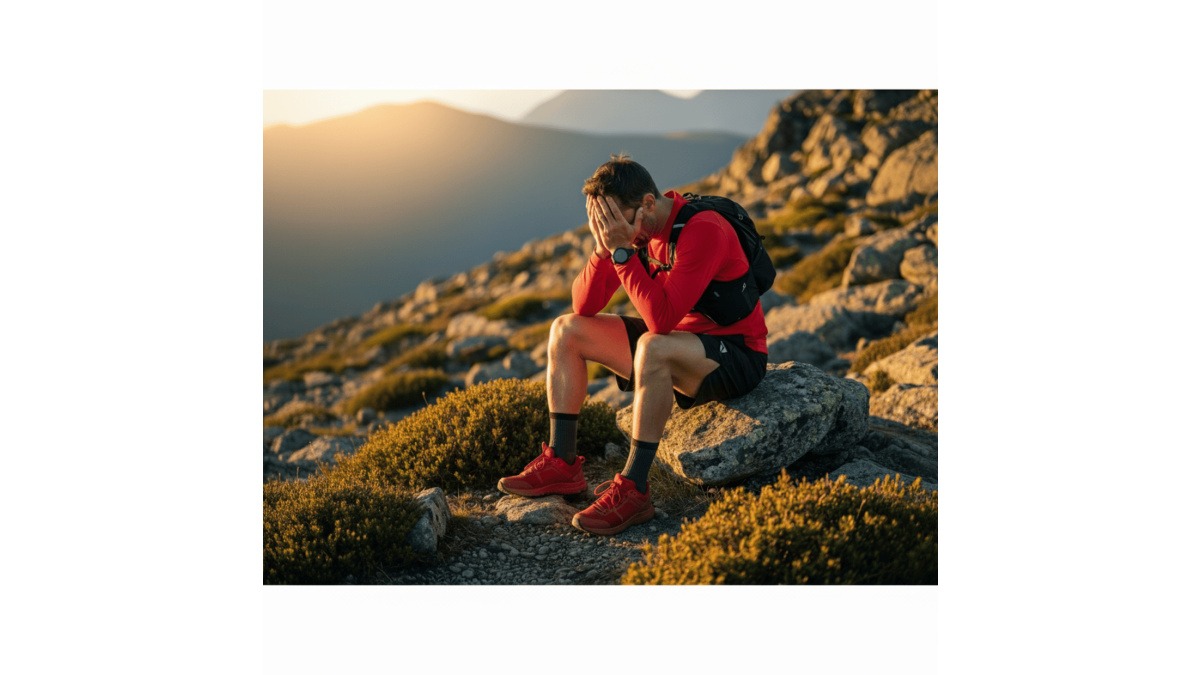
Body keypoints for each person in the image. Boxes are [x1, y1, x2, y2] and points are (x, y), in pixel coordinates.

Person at [498, 154, 769, 535]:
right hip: (679, 344)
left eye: (617, 221)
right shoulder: (633, 231)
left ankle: (634, 490)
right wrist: (603, 248)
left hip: (735, 356)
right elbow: (584, 306)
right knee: (566, 329)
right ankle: (562, 462)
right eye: (604, 223)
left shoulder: (703, 230)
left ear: (648, 204)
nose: (615, 230)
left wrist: (623, 252)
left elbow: (661, 321)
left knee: (653, 346)